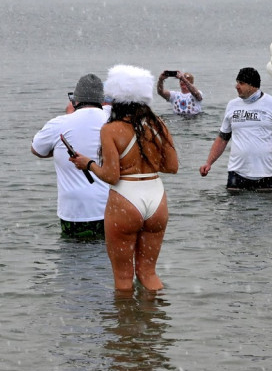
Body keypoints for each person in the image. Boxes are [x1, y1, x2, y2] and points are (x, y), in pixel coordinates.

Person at [66, 64, 178, 294]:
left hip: (126, 198)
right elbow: (172, 167)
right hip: (156, 198)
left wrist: (86, 163)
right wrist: (146, 159)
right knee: (149, 273)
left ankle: (126, 326)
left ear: (116, 100)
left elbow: (111, 175)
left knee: (123, 278)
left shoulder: (111, 129)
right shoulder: (160, 125)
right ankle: (155, 325)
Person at [31, 74, 110, 239]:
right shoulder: (114, 121)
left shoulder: (59, 123)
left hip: (74, 211)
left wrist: (58, 149)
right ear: (102, 100)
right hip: (112, 208)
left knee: (72, 260)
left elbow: (37, 150)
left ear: (75, 100)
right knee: (110, 259)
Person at [199, 67, 272, 190]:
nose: (236, 86)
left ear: (253, 86)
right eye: (237, 82)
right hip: (236, 172)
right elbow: (222, 138)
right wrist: (209, 163)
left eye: (241, 83)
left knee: (266, 209)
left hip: (265, 173)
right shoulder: (232, 105)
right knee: (233, 208)